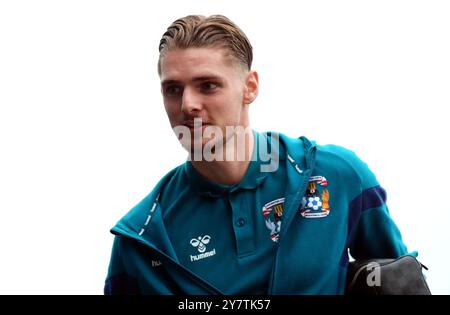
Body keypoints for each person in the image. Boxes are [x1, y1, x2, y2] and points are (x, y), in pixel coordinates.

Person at [104, 14, 413, 295]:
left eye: (208, 85)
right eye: (173, 89)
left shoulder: (337, 175)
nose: (187, 105)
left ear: (249, 87)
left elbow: (400, 280)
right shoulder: (142, 238)